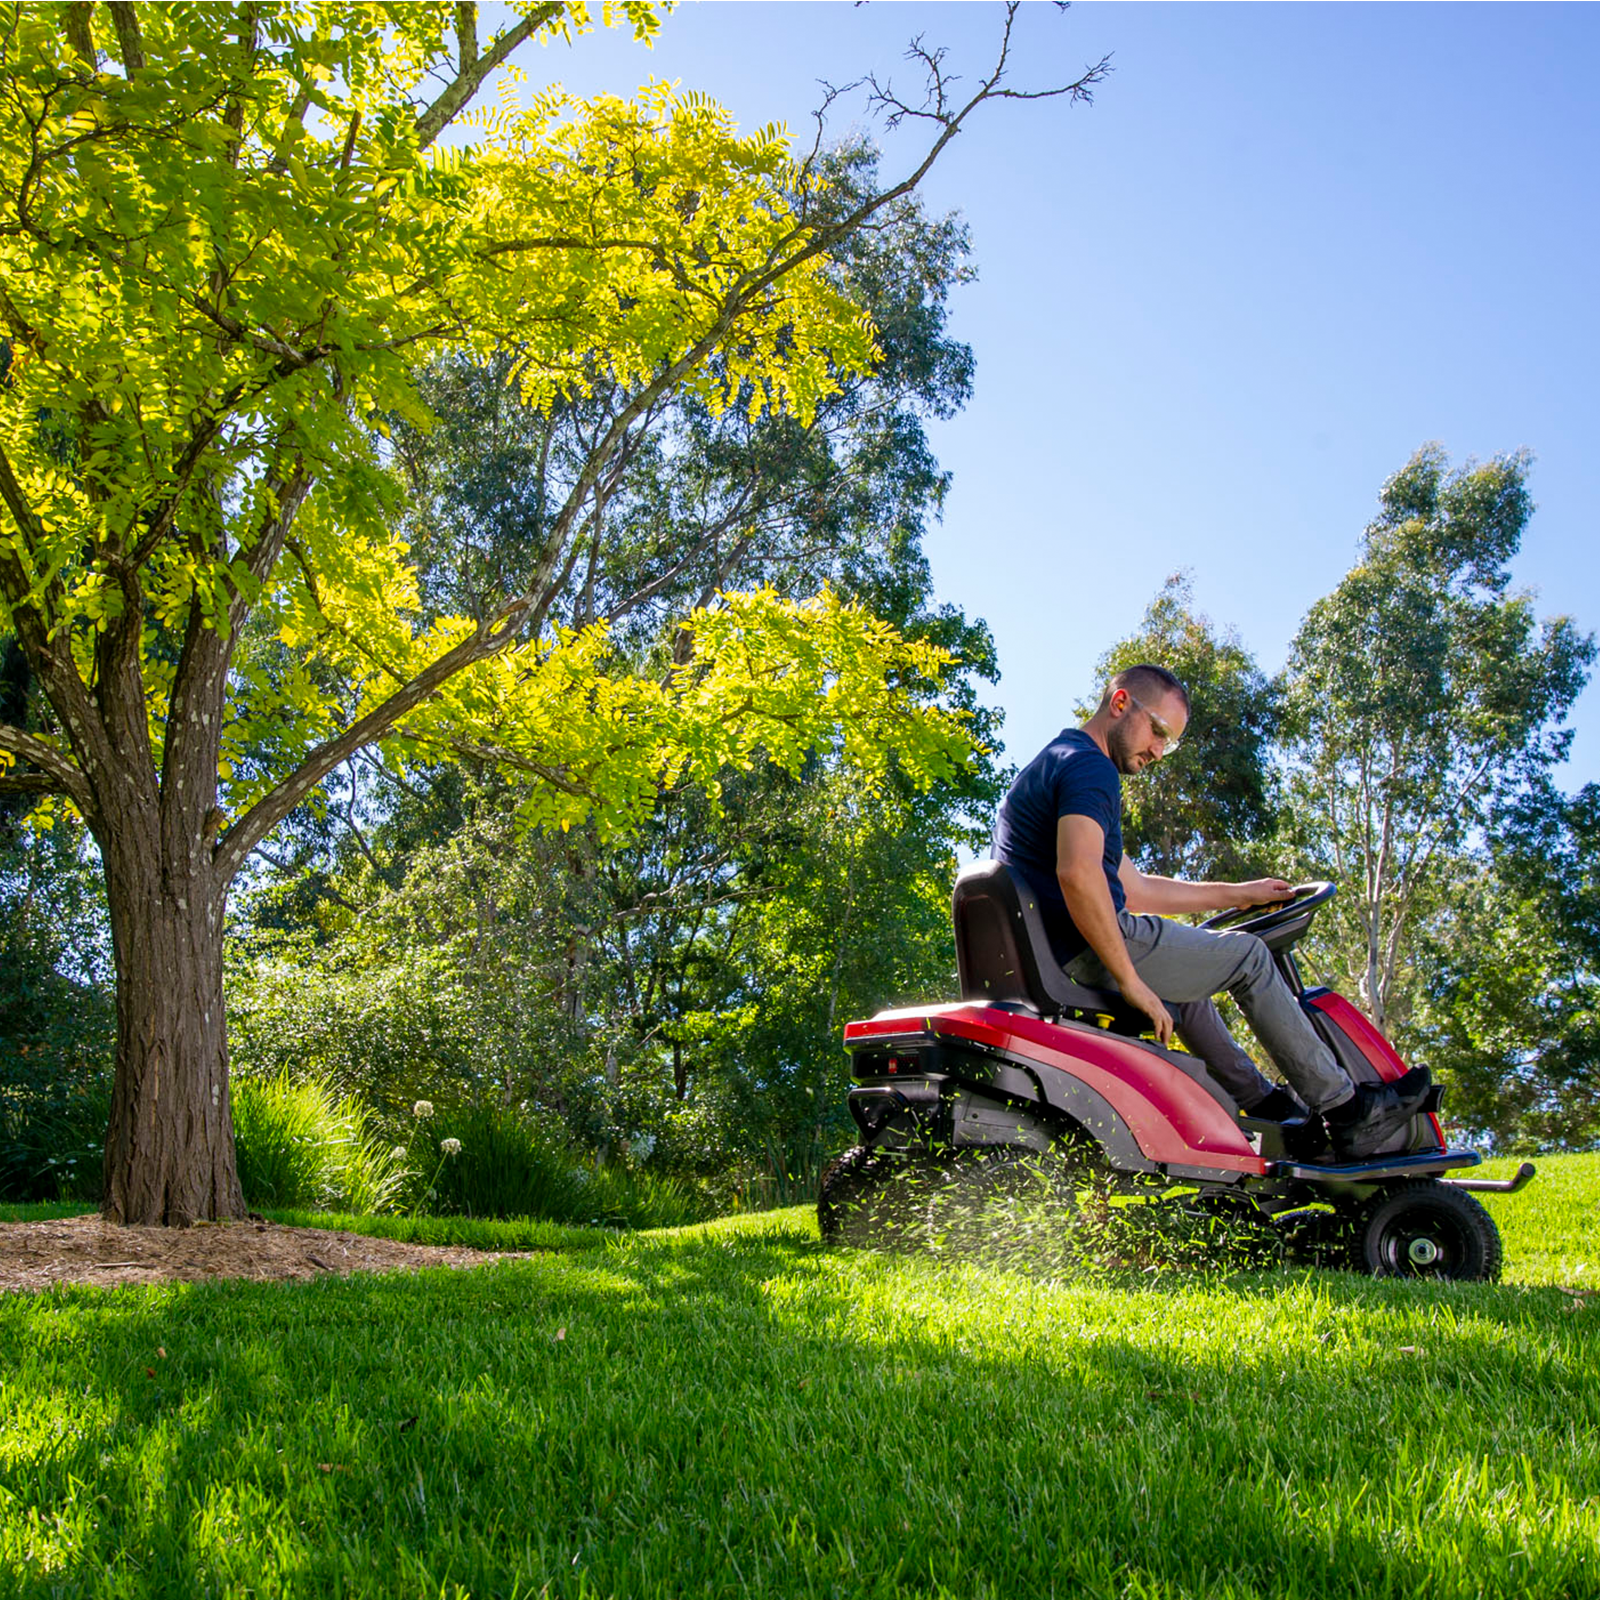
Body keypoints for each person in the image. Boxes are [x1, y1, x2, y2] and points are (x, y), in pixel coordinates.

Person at [992, 662, 1430, 1160]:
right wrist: (1133, 982)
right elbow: (1078, 874)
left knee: (1189, 994)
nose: (1158, 751)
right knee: (1249, 958)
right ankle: (1350, 1113)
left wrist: (1240, 893)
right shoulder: (1089, 769)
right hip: (1084, 947)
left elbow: (1133, 889)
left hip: (1061, 948)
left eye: (1168, 743)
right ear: (1119, 703)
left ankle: (1264, 1106)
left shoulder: (1058, 762)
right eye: (1157, 732)